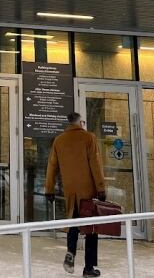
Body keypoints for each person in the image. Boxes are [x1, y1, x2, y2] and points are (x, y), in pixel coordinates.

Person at [45, 112, 106, 277]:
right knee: (91, 229)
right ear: (80, 122)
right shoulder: (89, 138)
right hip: (88, 190)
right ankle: (88, 268)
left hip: (70, 189)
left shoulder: (59, 140)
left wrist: (48, 189)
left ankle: (71, 252)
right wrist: (101, 188)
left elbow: (51, 166)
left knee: (73, 221)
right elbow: (95, 163)